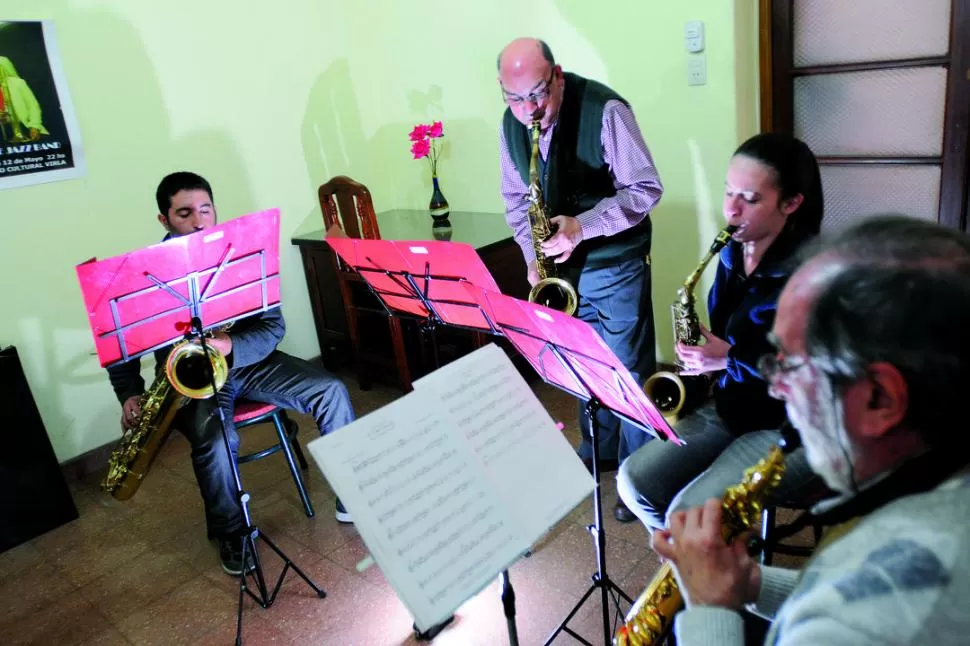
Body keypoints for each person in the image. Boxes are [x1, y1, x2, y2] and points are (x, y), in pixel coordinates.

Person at [653, 214, 970, 645]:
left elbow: (850, 617)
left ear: (880, 398)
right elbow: (846, 587)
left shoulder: (850, 627)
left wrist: (710, 611)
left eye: (790, 364)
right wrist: (753, 587)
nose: (778, 388)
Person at [106, 171, 357, 576]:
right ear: (164, 219)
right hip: (187, 379)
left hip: (246, 361)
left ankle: (354, 495)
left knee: (331, 390)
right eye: (185, 213)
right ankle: (232, 534)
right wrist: (128, 393)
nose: (199, 220)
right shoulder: (142, 276)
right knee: (215, 439)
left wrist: (230, 347)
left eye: (206, 209)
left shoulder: (241, 256)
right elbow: (120, 345)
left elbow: (273, 327)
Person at [616, 132, 825, 526]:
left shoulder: (814, 275)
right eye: (729, 191)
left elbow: (813, 372)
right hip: (733, 406)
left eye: (750, 198)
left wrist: (730, 357)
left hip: (790, 425)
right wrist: (705, 360)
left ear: (792, 203)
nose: (731, 210)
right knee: (634, 480)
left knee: (687, 516)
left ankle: (705, 564)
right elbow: (727, 336)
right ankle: (695, 566)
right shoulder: (732, 250)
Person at [496, 37, 663, 520]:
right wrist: (531, 256)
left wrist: (583, 226)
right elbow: (514, 198)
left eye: (538, 94)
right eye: (514, 97)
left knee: (627, 371)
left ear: (559, 75)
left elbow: (646, 188)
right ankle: (599, 453)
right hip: (562, 274)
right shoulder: (511, 124)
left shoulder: (606, 110)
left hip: (615, 263)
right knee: (584, 367)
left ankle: (639, 478)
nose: (529, 109)